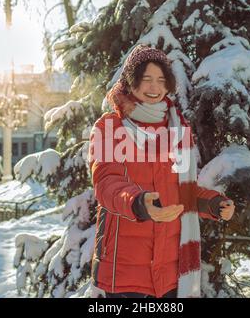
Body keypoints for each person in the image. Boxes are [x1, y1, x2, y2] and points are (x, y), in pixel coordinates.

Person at [88, 44, 235, 298]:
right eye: (146, 79)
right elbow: (106, 183)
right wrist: (138, 203)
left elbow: (185, 191)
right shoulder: (110, 126)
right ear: (130, 82)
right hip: (124, 272)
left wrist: (214, 204)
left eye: (160, 79)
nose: (154, 87)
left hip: (170, 271)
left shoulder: (178, 128)